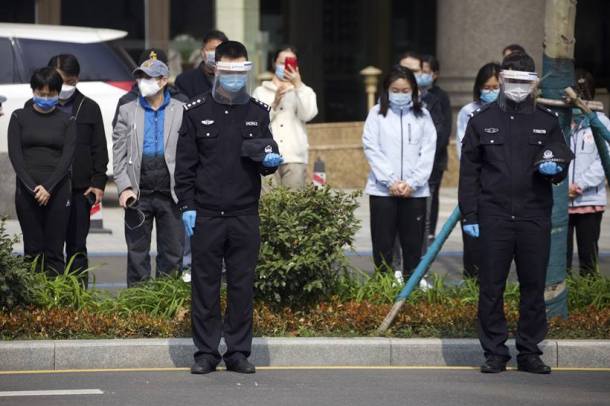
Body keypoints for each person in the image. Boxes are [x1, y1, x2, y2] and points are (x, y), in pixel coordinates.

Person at [459, 52, 572, 374]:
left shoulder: (547, 122)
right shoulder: (481, 121)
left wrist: (554, 170)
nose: (518, 88)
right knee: (491, 287)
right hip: (493, 216)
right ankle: (494, 351)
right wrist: (470, 215)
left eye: (525, 82)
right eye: (512, 81)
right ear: (502, 80)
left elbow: (559, 163)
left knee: (533, 287)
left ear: (534, 83)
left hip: (533, 215)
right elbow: (469, 174)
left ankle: (529, 352)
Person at [175, 40, 282, 375]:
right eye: (228, 71)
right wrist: (187, 206)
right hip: (205, 213)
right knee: (204, 285)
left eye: (241, 71)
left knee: (241, 284)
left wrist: (270, 162)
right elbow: (185, 167)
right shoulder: (195, 112)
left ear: (247, 70)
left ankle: (237, 351)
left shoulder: (257, 112)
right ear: (216, 69)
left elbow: (265, 156)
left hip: (243, 214)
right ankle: (206, 352)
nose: (234, 78)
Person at [113, 56, 185, 287]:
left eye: (148, 77)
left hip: (171, 193)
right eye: (140, 77)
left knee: (172, 254)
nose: (142, 81)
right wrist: (124, 188)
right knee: (137, 255)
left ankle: (166, 308)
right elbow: (119, 155)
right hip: (138, 193)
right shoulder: (127, 110)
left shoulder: (182, 110)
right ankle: (139, 309)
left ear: (163, 81)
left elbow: (190, 153)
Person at [362, 65, 437, 283]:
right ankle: (384, 285)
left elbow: (428, 150)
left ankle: (412, 285)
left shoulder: (423, 115)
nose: (401, 95)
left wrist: (413, 182)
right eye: (396, 90)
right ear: (386, 90)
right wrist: (390, 181)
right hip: (382, 191)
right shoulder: (376, 115)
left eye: (406, 91)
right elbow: (371, 148)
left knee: (413, 244)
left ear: (414, 91)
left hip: (415, 192)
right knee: (383, 244)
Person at [46, 54, 108, 287]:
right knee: (49, 246)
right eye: (61, 81)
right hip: (49, 189)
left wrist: (98, 182)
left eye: (71, 82)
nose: (65, 87)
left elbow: (99, 148)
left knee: (76, 247)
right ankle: (49, 297)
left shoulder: (89, 107)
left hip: (79, 190)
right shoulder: (40, 106)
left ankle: (77, 296)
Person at [8, 67, 76, 274]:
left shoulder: (68, 121)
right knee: (32, 251)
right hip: (27, 192)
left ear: (58, 93)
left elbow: (67, 157)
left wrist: (48, 187)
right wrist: (33, 187)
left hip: (58, 190)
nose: (45, 98)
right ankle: (33, 301)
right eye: (40, 93)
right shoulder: (19, 117)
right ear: (33, 91)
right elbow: (16, 156)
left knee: (55, 250)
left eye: (50, 94)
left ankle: (55, 302)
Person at [455, 62, 501, 280]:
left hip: (498, 184)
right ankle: (472, 282)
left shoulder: (507, 110)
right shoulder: (468, 112)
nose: (491, 92)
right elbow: (463, 150)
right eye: (487, 87)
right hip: (476, 184)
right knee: (473, 246)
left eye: (495, 87)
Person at [252, 46, 318, 189]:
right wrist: (274, 104)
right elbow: (256, 122)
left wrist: (298, 85)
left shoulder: (304, 91)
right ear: (274, 63)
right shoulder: (260, 91)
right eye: (282, 62)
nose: (285, 66)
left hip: (294, 158)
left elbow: (308, 114)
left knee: (294, 208)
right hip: (267, 158)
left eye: (290, 62)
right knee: (269, 207)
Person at [565, 70, 609, 276]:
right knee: (560, 256)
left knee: (588, 256)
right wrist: (561, 187)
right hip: (561, 200)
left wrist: (580, 185)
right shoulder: (560, 121)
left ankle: (588, 301)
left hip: (589, 200)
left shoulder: (601, 121)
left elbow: (603, 160)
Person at [112, 49, 188, 128]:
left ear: (164, 78)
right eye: (143, 75)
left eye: (151, 76)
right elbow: (119, 135)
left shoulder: (181, 101)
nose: (145, 80)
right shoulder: (127, 101)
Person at [422, 54, 452, 240]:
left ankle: (430, 231)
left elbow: (444, 128)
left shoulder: (441, 97)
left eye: (426, 72)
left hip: (436, 157)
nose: (422, 75)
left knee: (432, 195)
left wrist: (432, 151)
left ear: (435, 74)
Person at [175, 30, 228, 99]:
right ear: (203, 52)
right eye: (213, 49)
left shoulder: (233, 79)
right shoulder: (184, 80)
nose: (217, 53)